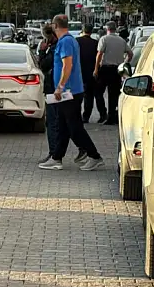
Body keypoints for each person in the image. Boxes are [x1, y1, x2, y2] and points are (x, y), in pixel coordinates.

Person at [38, 14, 104, 171]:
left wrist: (60, 86)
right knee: (62, 125)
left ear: (55, 26)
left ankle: (94, 156)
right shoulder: (68, 40)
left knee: (74, 127)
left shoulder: (66, 42)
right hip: (69, 91)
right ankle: (56, 158)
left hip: (69, 92)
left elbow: (67, 65)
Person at [93, 21, 133, 126]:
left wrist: (96, 69)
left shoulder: (104, 39)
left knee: (98, 92)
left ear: (107, 29)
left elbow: (99, 54)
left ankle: (103, 113)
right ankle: (112, 116)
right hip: (117, 70)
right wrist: (125, 62)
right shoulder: (121, 40)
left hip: (105, 69)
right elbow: (130, 53)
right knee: (113, 94)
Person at [37, 25, 60, 164]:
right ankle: (54, 153)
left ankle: (54, 154)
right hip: (55, 89)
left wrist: (41, 51)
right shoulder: (58, 46)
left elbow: (43, 65)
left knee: (52, 122)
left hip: (53, 89)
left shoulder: (52, 48)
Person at [76, 24, 107, 124]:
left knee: (84, 95)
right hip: (94, 72)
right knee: (96, 95)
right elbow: (99, 57)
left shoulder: (77, 41)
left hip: (80, 72)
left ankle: (85, 116)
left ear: (82, 30)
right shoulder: (95, 43)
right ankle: (103, 114)